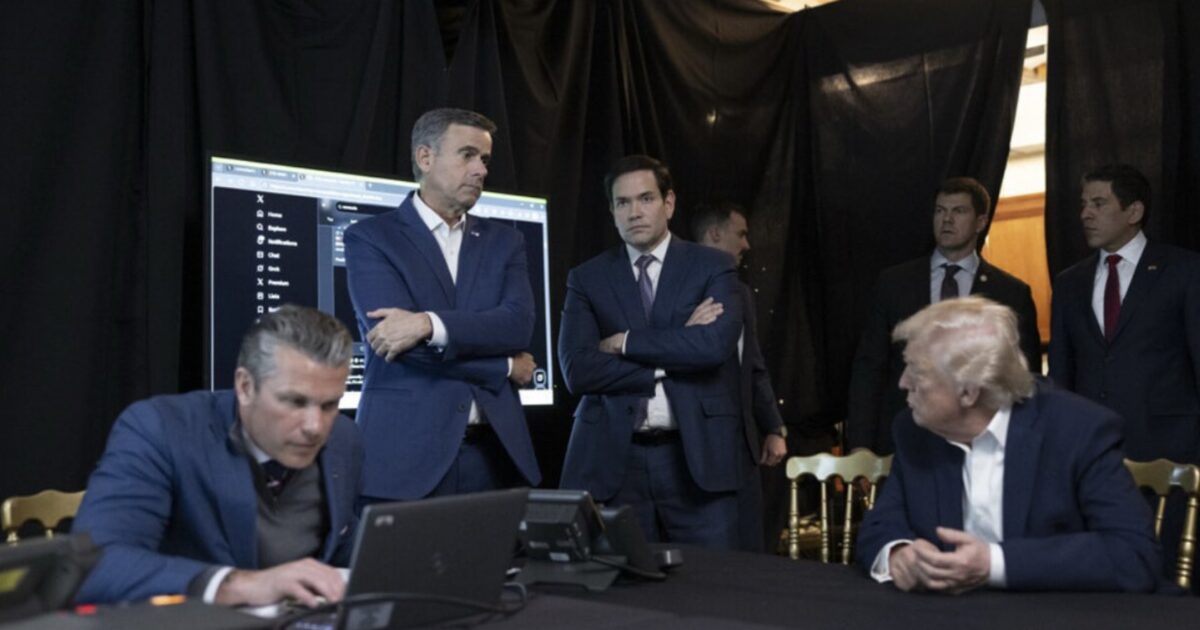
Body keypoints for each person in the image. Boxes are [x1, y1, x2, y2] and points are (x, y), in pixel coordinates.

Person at [857, 297, 1160, 593]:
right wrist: (898, 553)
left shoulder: (1078, 431)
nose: (903, 382)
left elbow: (1132, 554)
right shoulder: (914, 429)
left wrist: (993, 563)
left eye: (917, 371)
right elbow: (882, 523)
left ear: (968, 393)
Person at [73, 305, 363, 605]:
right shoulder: (161, 430)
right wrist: (238, 585)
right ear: (245, 386)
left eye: (329, 405)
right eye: (294, 402)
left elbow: (337, 541)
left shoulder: (344, 439)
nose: (315, 427)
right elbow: (97, 565)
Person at [344, 108, 541, 502]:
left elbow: (517, 326)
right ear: (425, 158)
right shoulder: (370, 238)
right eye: (467, 155)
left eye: (485, 159)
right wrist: (503, 365)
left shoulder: (506, 242)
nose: (481, 170)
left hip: (495, 457)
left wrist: (428, 324)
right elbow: (399, 349)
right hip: (404, 459)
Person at [558, 155, 745, 548]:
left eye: (645, 198)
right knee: (620, 599)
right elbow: (578, 370)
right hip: (614, 461)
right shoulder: (587, 277)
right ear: (611, 211)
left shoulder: (713, 266)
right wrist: (676, 347)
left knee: (715, 591)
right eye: (622, 203)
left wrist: (624, 343)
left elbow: (712, 347)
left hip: (695, 460)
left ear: (669, 203)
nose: (634, 212)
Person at [847, 177, 1041, 455]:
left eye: (958, 211)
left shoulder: (1010, 292)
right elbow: (869, 366)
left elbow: (1023, 376)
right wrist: (860, 444)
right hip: (904, 439)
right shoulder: (895, 283)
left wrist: (1023, 441)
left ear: (981, 221)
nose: (947, 220)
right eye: (940, 211)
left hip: (981, 443)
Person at [1048, 164, 1200, 465]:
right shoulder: (1069, 283)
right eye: (1084, 204)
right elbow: (1061, 373)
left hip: (1171, 452)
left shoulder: (1185, 270)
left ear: (1134, 212)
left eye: (1099, 204)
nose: (1085, 214)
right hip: (1093, 453)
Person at [691, 201, 787, 552]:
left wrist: (773, 427)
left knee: (750, 550)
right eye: (741, 234)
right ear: (716, 234)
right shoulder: (675, 286)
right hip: (694, 447)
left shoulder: (741, 293)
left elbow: (754, 365)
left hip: (742, 446)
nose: (747, 245)